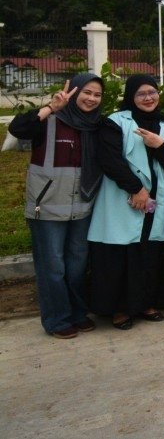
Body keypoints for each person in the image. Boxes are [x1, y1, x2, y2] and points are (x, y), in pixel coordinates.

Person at [10, 74, 105, 338]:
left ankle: (77, 313)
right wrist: (51, 107)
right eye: (86, 92)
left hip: (82, 207)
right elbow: (17, 129)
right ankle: (57, 320)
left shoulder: (95, 125)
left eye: (97, 95)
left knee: (76, 266)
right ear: (73, 92)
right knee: (53, 267)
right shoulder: (50, 121)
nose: (91, 99)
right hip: (48, 208)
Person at [89, 74, 164, 329]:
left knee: (148, 251)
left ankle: (145, 303)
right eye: (141, 94)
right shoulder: (115, 122)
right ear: (131, 96)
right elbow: (109, 160)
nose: (148, 98)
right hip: (124, 197)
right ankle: (119, 309)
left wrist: (159, 144)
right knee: (119, 252)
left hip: (154, 200)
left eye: (152, 92)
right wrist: (137, 189)